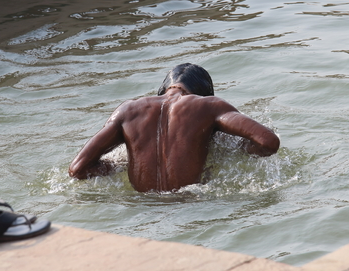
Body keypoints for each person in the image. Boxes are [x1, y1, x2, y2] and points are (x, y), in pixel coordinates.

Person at [69, 63, 280, 192]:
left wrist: (121, 168)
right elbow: (268, 141)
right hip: (194, 205)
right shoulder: (209, 105)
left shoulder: (128, 110)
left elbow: (78, 169)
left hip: (142, 210)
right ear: (202, 93)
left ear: (162, 90)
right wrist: (238, 150)